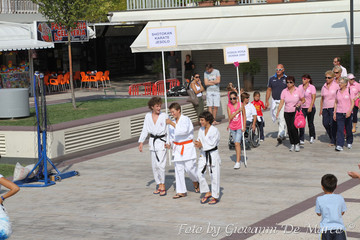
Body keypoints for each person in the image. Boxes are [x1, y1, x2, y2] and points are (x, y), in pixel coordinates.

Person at [166, 102, 199, 199]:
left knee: (190, 169)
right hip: (177, 148)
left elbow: (184, 131)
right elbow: (172, 136)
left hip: (187, 147)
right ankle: (181, 191)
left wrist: (171, 123)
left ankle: (196, 180)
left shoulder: (186, 119)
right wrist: (170, 144)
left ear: (178, 110)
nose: (172, 114)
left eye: (173, 112)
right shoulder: (172, 123)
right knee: (178, 170)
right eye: (171, 112)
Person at [138, 97, 168, 196]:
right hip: (152, 141)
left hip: (162, 141)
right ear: (152, 107)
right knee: (154, 165)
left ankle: (163, 184)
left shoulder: (164, 116)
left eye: (160, 106)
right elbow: (145, 129)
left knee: (161, 165)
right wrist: (141, 142)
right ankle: (158, 184)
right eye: (157, 106)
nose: (159, 108)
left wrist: (169, 142)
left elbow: (169, 130)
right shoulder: (147, 116)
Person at [194, 111, 221, 205]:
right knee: (199, 174)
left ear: (208, 120)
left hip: (212, 155)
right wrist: (197, 144)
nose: (200, 122)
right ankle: (207, 192)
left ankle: (215, 196)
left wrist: (202, 145)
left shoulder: (214, 131)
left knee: (214, 176)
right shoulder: (201, 130)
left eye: (202, 120)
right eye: (200, 120)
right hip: (203, 155)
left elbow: (212, 144)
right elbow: (199, 141)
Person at [276, 76, 305, 152]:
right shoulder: (284, 91)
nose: (288, 84)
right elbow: (282, 102)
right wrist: (278, 112)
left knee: (293, 128)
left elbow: (303, 99)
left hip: (295, 112)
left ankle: (297, 143)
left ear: (294, 83)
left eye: (290, 82)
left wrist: (299, 103)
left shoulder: (298, 90)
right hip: (287, 112)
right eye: (287, 82)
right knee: (289, 128)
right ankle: (292, 143)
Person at [315, 174, 347, 240]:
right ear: (336, 186)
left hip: (325, 230)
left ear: (322, 187)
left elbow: (318, 213)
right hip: (339, 229)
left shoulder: (319, 199)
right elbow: (342, 212)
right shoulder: (340, 197)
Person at [265, 64, 287, 144]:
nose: (278, 71)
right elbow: (269, 89)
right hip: (274, 101)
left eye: (280, 69)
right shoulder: (271, 78)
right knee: (277, 117)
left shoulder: (286, 78)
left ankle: (280, 135)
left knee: (281, 117)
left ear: (283, 70)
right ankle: (284, 132)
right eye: (277, 69)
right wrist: (267, 100)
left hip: (283, 102)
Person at [333, 77, 355, 151]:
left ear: (346, 84)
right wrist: (334, 113)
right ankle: (339, 144)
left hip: (348, 113)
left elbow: (352, 103)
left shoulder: (349, 91)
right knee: (340, 129)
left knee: (348, 128)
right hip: (339, 112)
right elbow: (335, 102)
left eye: (341, 83)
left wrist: (349, 111)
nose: (340, 84)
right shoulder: (337, 91)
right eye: (339, 82)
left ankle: (349, 141)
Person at [320, 70, 339, 146]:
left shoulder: (336, 86)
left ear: (333, 78)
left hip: (333, 107)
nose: (327, 79)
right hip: (325, 107)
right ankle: (332, 137)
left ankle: (333, 140)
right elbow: (322, 98)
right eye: (326, 77)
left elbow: (338, 97)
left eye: (329, 77)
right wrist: (321, 109)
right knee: (325, 123)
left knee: (332, 124)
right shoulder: (324, 86)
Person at [227, 91, 246, 169]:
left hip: (239, 126)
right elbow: (230, 117)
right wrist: (238, 111)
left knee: (237, 143)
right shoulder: (229, 106)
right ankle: (239, 158)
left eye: (234, 98)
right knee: (236, 144)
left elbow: (244, 116)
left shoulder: (241, 105)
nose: (232, 100)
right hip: (232, 127)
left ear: (237, 98)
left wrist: (244, 126)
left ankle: (237, 162)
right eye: (231, 98)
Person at [298, 74, 316, 145]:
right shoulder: (300, 87)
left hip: (310, 107)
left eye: (305, 79)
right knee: (301, 123)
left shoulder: (312, 87)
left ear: (308, 79)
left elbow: (313, 97)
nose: (303, 80)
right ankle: (301, 138)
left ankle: (312, 136)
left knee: (310, 123)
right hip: (302, 108)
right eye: (302, 78)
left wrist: (311, 107)